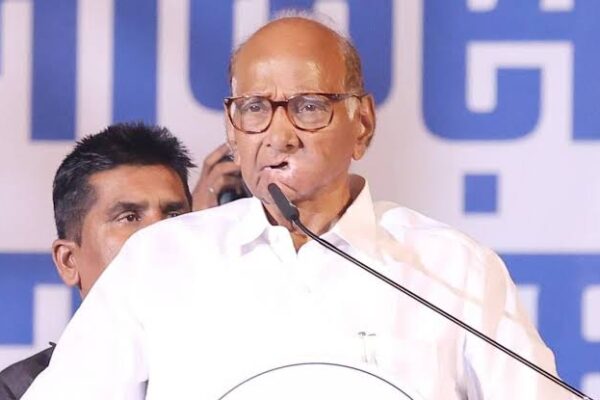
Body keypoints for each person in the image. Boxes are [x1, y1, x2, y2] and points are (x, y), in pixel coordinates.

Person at [22, 15, 569, 400]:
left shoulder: (451, 268)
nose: (279, 135)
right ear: (232, 129)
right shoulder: (160, 259)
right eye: (254, 108)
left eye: (308, 107)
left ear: (363, 124)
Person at [0, 123, 195, 399]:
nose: (160, 235)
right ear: (69, 262)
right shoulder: (17, 391)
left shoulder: (242, 360)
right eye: (129, 217)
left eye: (174, 215)